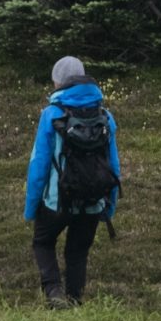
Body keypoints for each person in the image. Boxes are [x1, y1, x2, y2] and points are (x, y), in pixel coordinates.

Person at [23, 55, 121, 306]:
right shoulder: (105, 115)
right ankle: (75, 299)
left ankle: (54, 292)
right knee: (77, 251)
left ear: (58, 82)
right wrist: (108, 205)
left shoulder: (51, 115)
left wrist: (32, 206)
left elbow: (39, 165)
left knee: (43, 242)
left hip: (57, 200)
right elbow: (114, 164)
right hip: (93, 200)